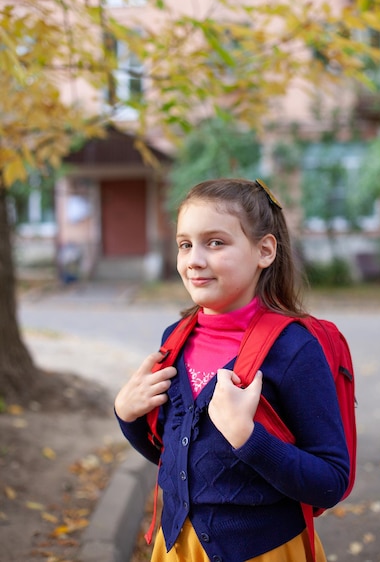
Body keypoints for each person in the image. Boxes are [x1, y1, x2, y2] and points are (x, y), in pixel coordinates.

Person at [115, 178, 349, 562]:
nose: (193, 259)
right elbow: (174, 458)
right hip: (176, 549)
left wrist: (248, 437)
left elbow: (331, 481)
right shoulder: (175, 338)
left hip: (264, 551)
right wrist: (127, 416)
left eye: (215, 242)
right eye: (185, 244)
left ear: (265, 250)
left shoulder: (294, 349)